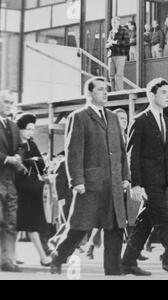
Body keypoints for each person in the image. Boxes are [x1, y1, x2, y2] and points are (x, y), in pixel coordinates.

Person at [50, 77, 130, 276]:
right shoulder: (79, 117)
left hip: (113, 183)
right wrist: (76, 181)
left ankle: (113, 270)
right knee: (79, 227)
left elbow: (121, 150)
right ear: (89, 93)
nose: (105, 93)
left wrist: (125, 176)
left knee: (116, 227)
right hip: (90, 184)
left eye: (106, 89)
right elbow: (73, 151)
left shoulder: (112, 117)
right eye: (100, 89)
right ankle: (58, 257)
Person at [121, 78, 168, 277]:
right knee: (164, 221)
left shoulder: (167, 120)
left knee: (144, 224)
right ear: (151, 95)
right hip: (148, 183)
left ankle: (127, 262)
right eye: (164, 92)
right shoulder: (139, 120)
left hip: (163, 182)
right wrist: (136, 184)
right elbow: (132, 155)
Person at [14, 113, 52, 267]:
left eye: (32, 129)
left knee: (24, 223)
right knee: (27, 223)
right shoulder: (16, 145)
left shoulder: (32, 144)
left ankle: (13, 253)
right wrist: (30, 161)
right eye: (27, 129)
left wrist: (42, 167)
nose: (30, 132)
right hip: (21, 187)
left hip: (33, 187)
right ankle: (42, 256)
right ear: (20, 129)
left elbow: (41, 164)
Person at [0, 91, 26, 273]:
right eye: (6, 102)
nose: (9, 105)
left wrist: (18, 156)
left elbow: (21, 146)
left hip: (10, 181)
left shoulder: (14, 126)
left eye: (11, 103)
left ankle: (7, 260)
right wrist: (6, 159)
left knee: (10, 222)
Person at [106, 17, 130, 91]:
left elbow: (127, 42)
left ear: (119, 22)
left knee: (119, 75)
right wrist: (108, 45)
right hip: (111, 55)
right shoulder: (111, 32)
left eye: (115, 22)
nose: (113, 24)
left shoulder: (124, 30)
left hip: (120, 55)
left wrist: (115, 42)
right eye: (112, 22)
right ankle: (113, 92)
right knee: (111, 75)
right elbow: (107, 43)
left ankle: (120, 92)